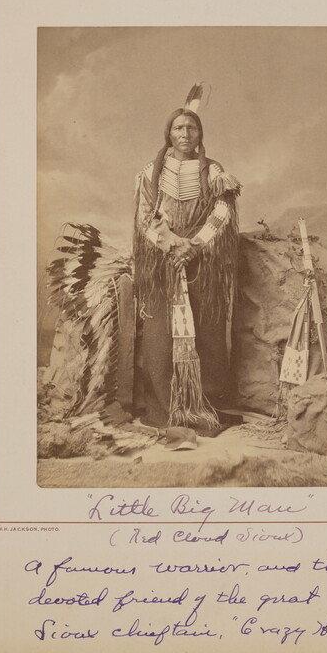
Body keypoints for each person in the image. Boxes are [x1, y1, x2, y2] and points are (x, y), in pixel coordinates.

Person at [133, 106, 241, 432]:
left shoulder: (214, 171)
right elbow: (144, 217)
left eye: (191, 128)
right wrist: (171, 246)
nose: (184, 134)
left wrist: (194, 245)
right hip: (161, 263)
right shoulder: (151, 172)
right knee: (160, 338)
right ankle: (165, 409)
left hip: (202, 265)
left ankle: (205, 404)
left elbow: (222, 212)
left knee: (206, 336)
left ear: (199, 133)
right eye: (178, 128)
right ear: (168, 133)